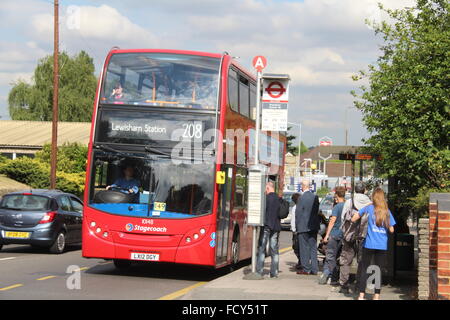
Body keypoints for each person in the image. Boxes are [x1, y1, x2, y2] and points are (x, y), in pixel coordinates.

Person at [351, 188, 396, 300]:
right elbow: (392, 230)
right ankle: (376, 296)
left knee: (365, 269)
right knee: (378, 271)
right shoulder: (387, 212)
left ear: (373, 198)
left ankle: (361, 296)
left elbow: (353, 218)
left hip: (369, 244)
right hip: (382, 246)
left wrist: (366, 208)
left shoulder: (369, 208)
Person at [338, 181, 372, 294]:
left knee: (345, 261)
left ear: (355, 190)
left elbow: (343, 218)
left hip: (350, 236)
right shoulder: (370, 203)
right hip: (364, 237)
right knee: (362, 262)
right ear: (364, 190)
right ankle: (359, 286)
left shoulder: (349, 201)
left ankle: (344, 285)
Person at [319, 186, 346, 285]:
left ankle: (332, 277)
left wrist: (326, 235)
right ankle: (327, 274)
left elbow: (332, 221)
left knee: (330, 256)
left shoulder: (337, 206)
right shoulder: (347, 205)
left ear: (337, 196)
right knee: (338, 256)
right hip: (343, 235)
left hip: (334, 234)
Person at [256, 181, 281, 279]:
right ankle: (274, 273)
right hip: (276, 227)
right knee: (274, 250)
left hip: (266, 226)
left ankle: (259, 271)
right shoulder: (279, 199)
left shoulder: (266, 199)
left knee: (262, 249)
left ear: (267, 188)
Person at [295, 180, 320, 275]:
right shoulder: (315, 197)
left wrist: (297, 227)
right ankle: (315, 268)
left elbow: (298, 213)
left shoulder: (301, 198)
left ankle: (306, 268)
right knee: (313, 247)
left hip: (303, 226)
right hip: (313, 226)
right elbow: (316, 211)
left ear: (302, 186)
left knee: (304, 248)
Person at [290, 193, 301, 270]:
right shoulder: (302, 206)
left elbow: (293, 220)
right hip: (302, 229)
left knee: (295, 247)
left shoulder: (295, 208)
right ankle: (301, 262)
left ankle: (301, 262)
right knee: (301, 247)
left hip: (296, 230)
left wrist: (293, 230)